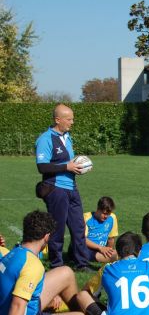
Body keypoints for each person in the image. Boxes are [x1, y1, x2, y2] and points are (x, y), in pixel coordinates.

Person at [0, 211, 87, 315]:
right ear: (46, 237)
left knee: (66, 272)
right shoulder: (32, 265)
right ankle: (81, 312)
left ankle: (75, 309)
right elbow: (18, 304)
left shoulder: (14, 251)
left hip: (5, 310)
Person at [35, 104, 89, 271]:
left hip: (71, 187)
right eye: (69, 119)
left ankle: (82, 264)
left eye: (72, 118)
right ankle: (57, 264)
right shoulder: (45, 139)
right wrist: (67, 167)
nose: (72, 122)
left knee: (78, 226)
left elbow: (69, 163)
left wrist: (77, 168)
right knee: (57, 228)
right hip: (56, 189)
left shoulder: (68, 137)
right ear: (58, 120)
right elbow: (42, 167)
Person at [83, 196, 119, 264]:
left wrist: (108, 251)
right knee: (116, 257)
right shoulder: (86, 218)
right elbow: (82, 239)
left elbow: (111, 239)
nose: (106, 216)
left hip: (100, 250)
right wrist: (100, 248)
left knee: (123, 254)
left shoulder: (112, 218)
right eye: (104, 213)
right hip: (85, 249)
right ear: (98, 209)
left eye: (108, 214)